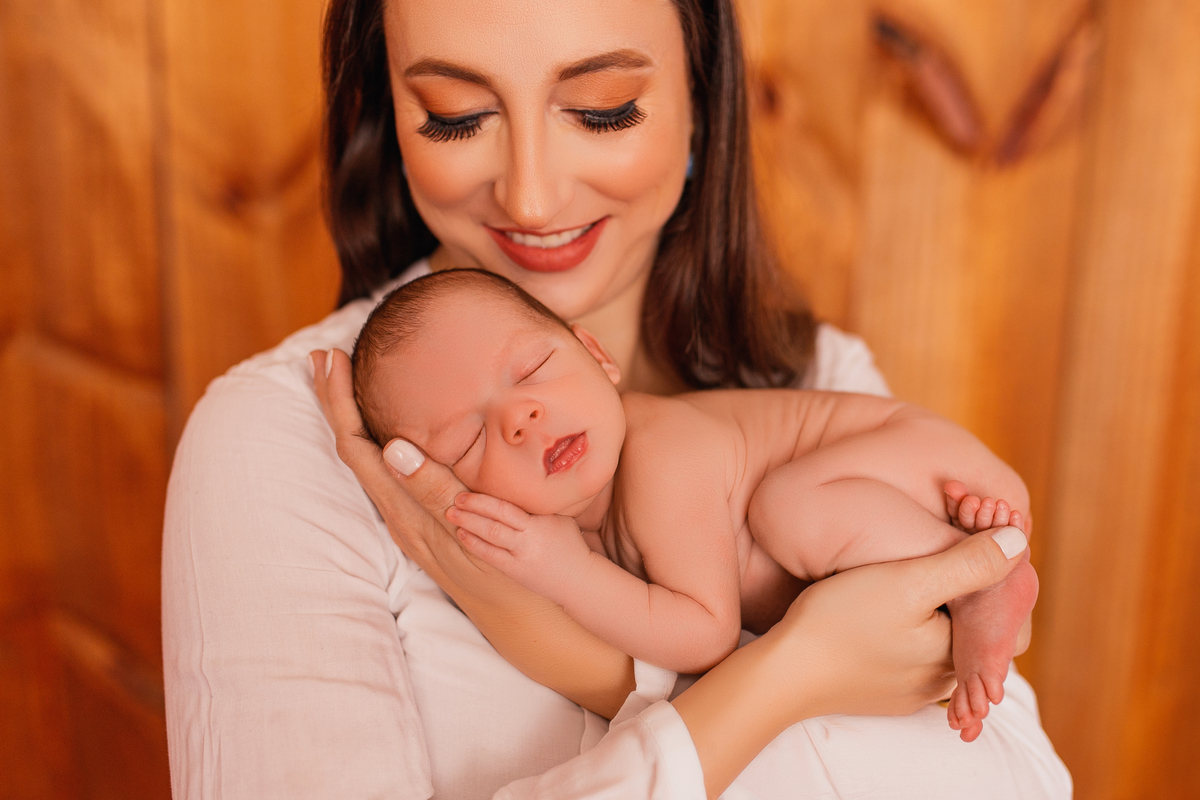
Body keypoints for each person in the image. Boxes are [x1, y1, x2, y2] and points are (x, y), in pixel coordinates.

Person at [161, 0, 1072, 797]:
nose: (531, 192)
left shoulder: (815, 375)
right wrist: (791, 674)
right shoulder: (287, 442)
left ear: (701, 104)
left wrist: (604, 672)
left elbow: (1013, 779)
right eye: (455, 117)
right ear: (388, 119)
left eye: (603, 110)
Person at [351, 268, 1038, 742]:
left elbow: (706, 634)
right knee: (793, 512)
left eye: (531, 371)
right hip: (893, 499)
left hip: (919, 466)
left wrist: (562, 572)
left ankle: (976, 576)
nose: (521, 419)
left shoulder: (660, 451)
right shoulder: (582, 522)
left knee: (787, 506)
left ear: (596, 354)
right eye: (471, 438)